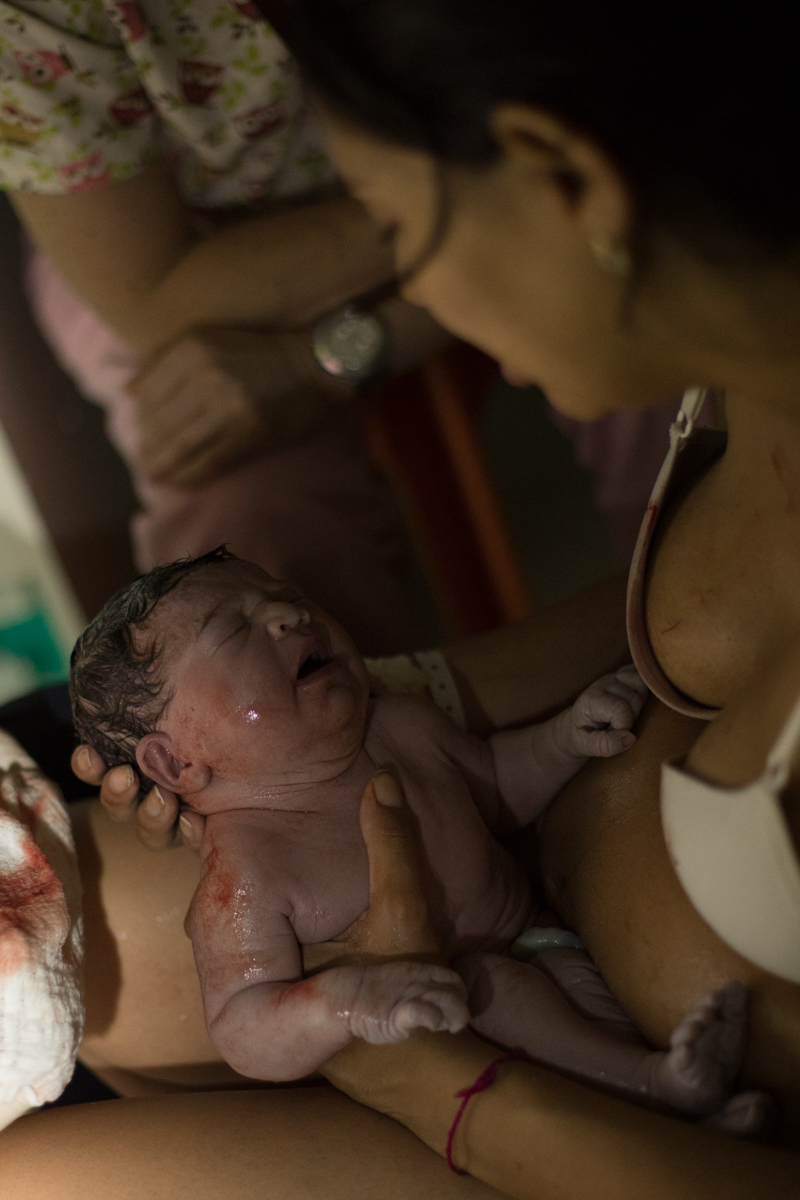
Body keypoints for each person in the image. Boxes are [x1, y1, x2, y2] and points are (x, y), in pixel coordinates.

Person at [3, 1, 800, 1197]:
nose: (393, 308)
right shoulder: (744, 399)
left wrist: (435, 1088)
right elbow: (647, 638)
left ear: (564, 178)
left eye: (389, 227)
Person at [68, 550, 750, 1119]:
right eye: (237, 629)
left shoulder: (401, 727)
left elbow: (495, 788)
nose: (289, 615)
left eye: (284, 596)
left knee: (609, 1007)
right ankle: (660, 1088)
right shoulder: (244, 874)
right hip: (460, 1014)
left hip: (546, 932)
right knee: (510, 998)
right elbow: (244, 1027)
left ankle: (679, 1106)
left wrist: (565, 737)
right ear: (176, 761)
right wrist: (343, 1004)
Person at [1, 0, 450, 655]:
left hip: (487, 179)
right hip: (165, 251)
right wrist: (480, 203)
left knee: (638, 336)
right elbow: (155, 296)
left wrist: (317, 362)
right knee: (233, 529)